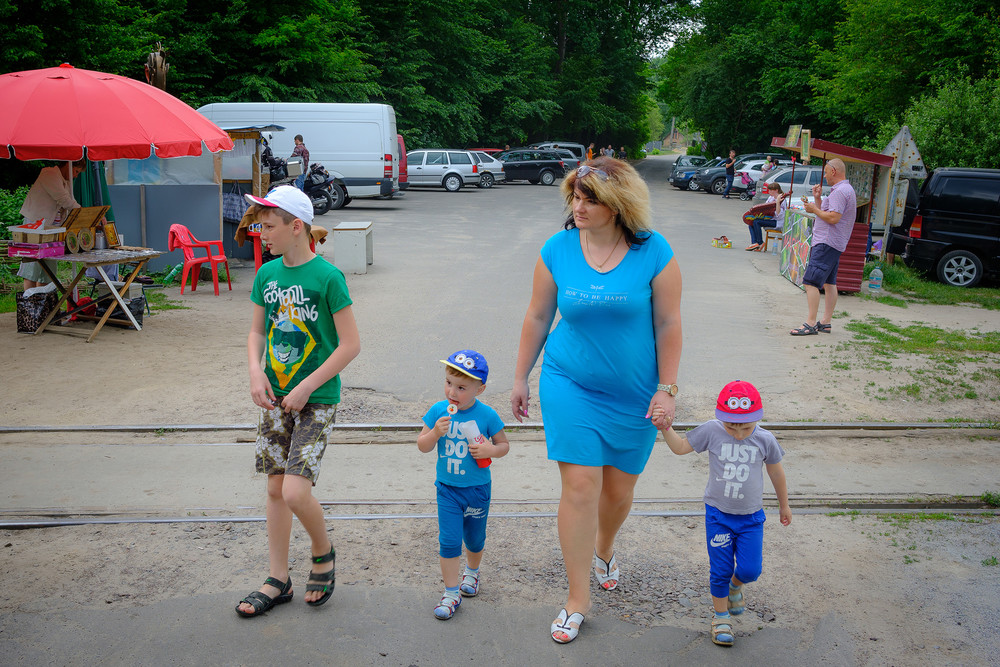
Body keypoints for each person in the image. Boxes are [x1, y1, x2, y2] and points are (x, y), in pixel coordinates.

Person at [511, 156, 682, 644]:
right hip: (569, 384)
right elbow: (537, 317)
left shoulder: (655, 252)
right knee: (581, 486)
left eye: (589, 199)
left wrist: (666, 389)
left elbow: (670, 323)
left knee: (618, 492)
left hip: (634, 393)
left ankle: (605, 545)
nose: (577, 205)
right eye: (575, 196)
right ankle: (577, 596)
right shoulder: (558, 249)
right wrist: (521, 376)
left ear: (618, 205)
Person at [236, 185, 361, 618]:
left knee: (293, 489)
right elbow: (256, 332)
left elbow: (350, 345)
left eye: (268, 227)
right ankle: (277, 579)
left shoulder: (328, 277)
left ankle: (322, 551)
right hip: (274, 397)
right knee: (274, 487)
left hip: (317, 397)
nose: (261, 234)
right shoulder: (266, 276)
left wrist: (308, 385)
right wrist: (256, 371)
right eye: (259, 226)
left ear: (296, 228)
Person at [656, 380, 791, 647]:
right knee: (720, 569)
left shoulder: (765, 439)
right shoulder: (712, 431)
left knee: (751, 570)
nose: (738, 434)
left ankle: (736, 585)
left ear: (756, 419)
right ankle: (721, 618)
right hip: (718, 516)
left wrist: (784, 505)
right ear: (722, 418)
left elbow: (776, 472)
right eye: (731, 426)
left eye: (746, 427)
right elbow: (681, 447)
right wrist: (666, 428)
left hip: (751, 518)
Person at [417, 350, 510, 620]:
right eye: (448, 383)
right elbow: (422, 445)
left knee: (474, 538)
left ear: (479, 389)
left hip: (478, 489)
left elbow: (504, 445)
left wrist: (490, 451)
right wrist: (435, 432)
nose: (452, 392)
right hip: (447, 489)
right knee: (448, 541)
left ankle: (472, 572)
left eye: (461, 387)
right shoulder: (438, 411)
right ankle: (450, 592)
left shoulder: (488, 415)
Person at [790, 158, 857, 335]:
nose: (825, 176)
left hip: (826, 242)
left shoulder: (840, 192)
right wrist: (818, 200)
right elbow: (827, 214)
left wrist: (813, 209)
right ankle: (825, 322)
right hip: (834, 243)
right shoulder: (844, 190)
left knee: (810, 281)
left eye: (826, 172)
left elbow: (833, 218)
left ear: (834, 171)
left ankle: (810, 323)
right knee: (829, 282)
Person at [17, 160, 86, 290]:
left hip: (52, 229)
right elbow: (64, 200)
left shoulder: (66, 181)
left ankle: (44, 306)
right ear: (68, 165)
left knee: (48, 271)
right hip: (34, 226)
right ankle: (29, 304)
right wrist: (85, 213)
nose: (76, 175)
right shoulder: (49, 174)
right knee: (32, 268)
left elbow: (71, 202)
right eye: (76, 171)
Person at [743, 182, 789, 251]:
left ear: (776, 190)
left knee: (757, 222)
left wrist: (777, 203)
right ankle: (754, 243)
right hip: (770, 219)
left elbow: (779, 215)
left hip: (777, 222)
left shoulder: (782, 200)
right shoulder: (771, 197)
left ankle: (760, 242)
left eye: (771, 190)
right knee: (751, 222)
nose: (769, 192)